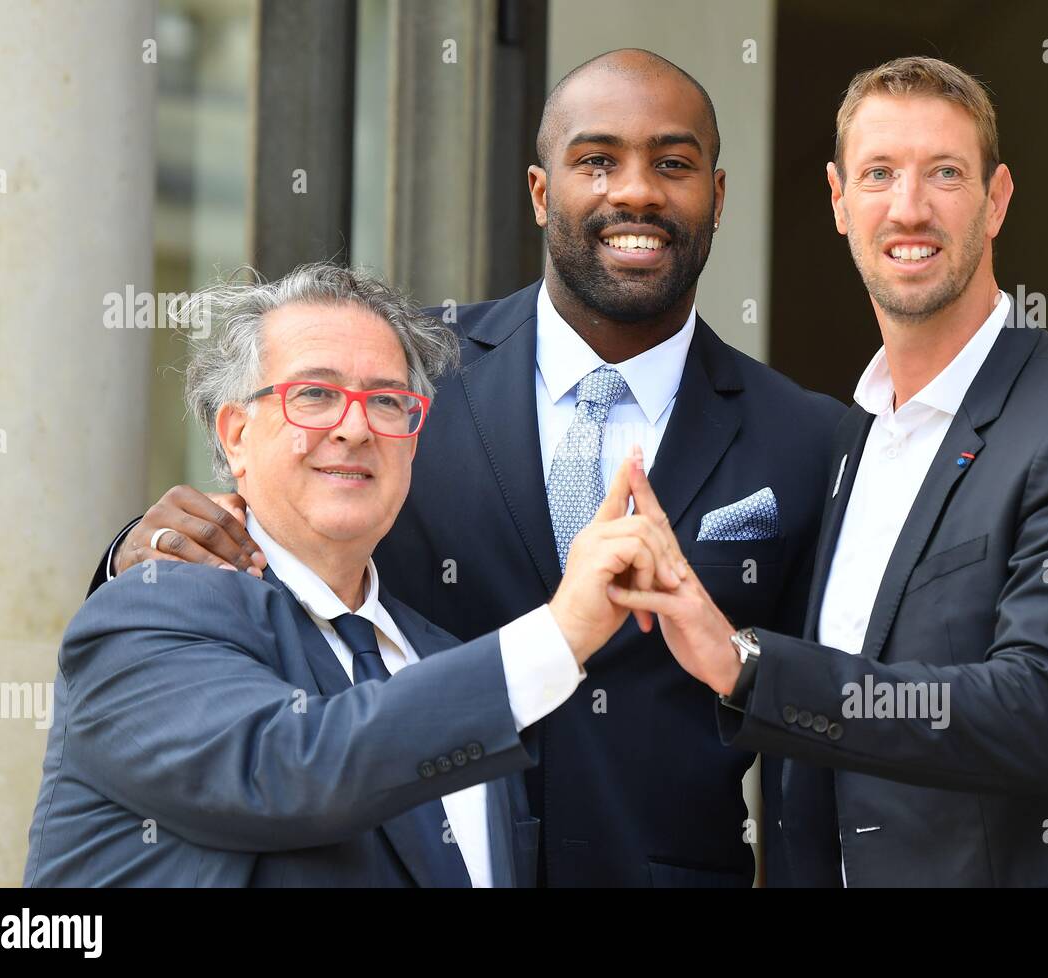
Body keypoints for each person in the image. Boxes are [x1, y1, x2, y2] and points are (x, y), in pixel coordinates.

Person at [86, 49, 845, 887]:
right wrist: (139, 556)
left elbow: (809, 738)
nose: (635, 191)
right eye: (596, 160)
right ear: (539, 190)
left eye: (673, 163)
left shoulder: (809, 439)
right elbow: (281, 522)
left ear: (719, 196)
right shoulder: (397, 380)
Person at [608, 56, 1048, 887]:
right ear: (839, 202)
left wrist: (748, 664)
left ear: (995, 202)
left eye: (945, 174)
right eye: (879, 173)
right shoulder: (847, 442)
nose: (909, 208)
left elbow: (1038, 713)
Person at [26, 264, 683, 887]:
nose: (354, 427)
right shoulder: (150, 612)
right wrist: (561, 633)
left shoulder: (439, 657)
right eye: (314, 394)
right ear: (234, 434)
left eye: (387, 401)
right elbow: (286, 769)